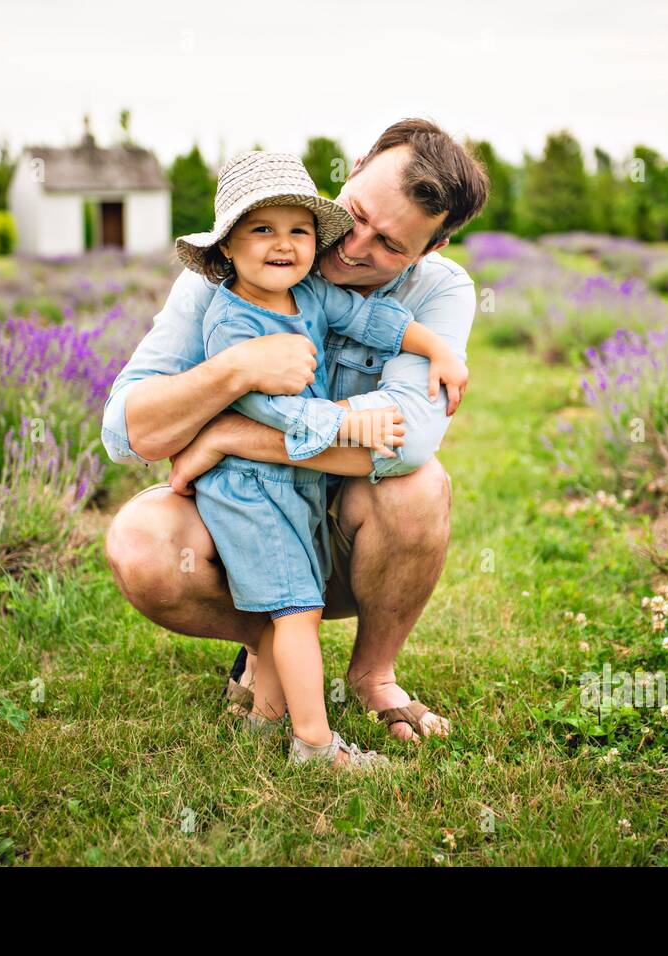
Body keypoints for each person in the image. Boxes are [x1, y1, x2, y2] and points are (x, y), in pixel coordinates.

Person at [102, 119, 490, 743]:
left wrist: (225, 436)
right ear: (354, 166)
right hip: (249, 522)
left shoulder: (439, 290)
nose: (353, 245)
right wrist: (234, 371)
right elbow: (127, 431)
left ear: (429, 252)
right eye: (356, 211)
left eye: (390, 244)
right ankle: (270, 643)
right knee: (141, 543)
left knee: (421, 485)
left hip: (345, 534)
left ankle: (373, 674)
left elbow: (407, 439)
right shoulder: (235, 265)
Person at [174, 150, 468, 768]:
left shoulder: (307, 294)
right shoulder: (231, 317)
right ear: (226, 245)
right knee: (297, 612)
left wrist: (434, 344)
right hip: (253, 490)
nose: (284, 246)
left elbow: (371, 319)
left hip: (296, 488)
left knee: (293, 601)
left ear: (429, 249)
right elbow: (268, 408)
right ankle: (314, 743)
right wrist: (345, 420)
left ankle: (266, 716)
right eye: (262, 231)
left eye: (299, 231)